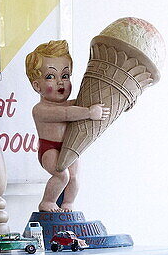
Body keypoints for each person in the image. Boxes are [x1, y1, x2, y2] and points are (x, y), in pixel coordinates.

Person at [25, 39, 108, 212]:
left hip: (70, 146)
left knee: (74, 177)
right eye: (50, 77)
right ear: (36, 85)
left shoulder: (72, 104)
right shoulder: (40, 110)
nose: (60, 82)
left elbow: (86, 105)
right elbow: (66, 114)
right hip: (49, 149)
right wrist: (88, 112)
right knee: (62, 174)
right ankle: (47, 202)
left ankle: (68, 204)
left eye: (65, 76)